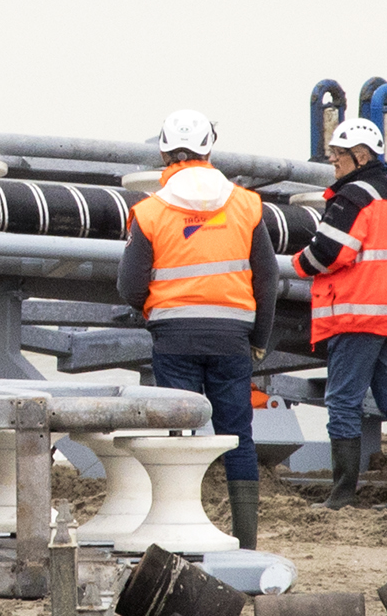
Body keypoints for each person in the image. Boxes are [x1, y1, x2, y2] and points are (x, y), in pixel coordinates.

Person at [118, 107, 282, 549]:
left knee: (178, 435)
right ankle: (245, 542)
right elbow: (268, 279)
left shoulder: (150, 211)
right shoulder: (247, 205)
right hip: (232, 339)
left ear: (164, 151)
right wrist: (259, 340)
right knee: (237, 435)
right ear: (211, 147)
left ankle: (178, 534)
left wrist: (151, 312)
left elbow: (130, 286)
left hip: (174, 339)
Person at [299, 126, 387, 508]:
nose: (332, 162)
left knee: (342, 402)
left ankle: (340, 496)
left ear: (359, 155)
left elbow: (327, 252)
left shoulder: (352, 196)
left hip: (357, 315)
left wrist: (297, 263)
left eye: (337, 155)